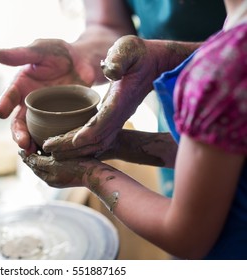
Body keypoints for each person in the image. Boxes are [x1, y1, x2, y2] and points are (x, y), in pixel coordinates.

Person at [20, 0, 247, 259]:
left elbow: (187, 237)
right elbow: (224, 156)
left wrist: (88, 173)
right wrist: (119, 144)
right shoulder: (231, 48)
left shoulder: (219, 72)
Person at [0, 0, 226, 197]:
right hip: (178, 129)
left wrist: (165, 60)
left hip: (230, 109)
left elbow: (184, 234)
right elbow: (107, 24)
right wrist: (82, 57)